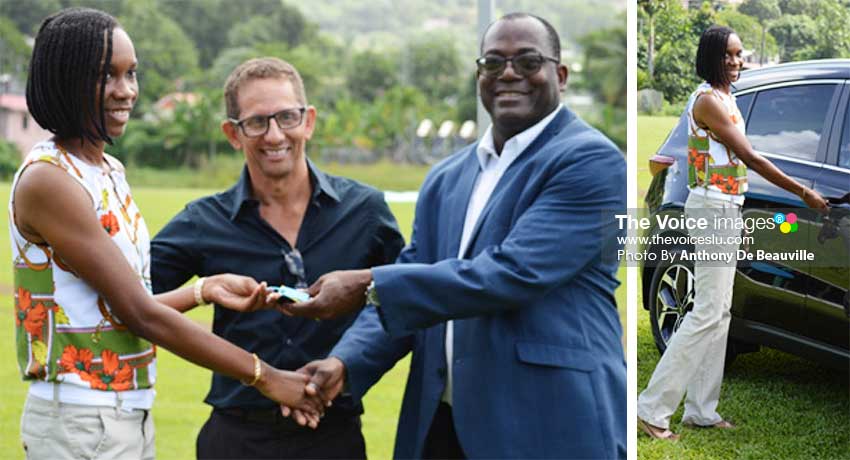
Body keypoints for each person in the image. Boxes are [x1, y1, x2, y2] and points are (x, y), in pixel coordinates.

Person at [280, 13, 627, 459]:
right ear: (479, 75)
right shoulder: (446, 177)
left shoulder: (593, 162)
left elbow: (512, 273)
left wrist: (368, 283)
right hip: (443, 426)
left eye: (527, 61)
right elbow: (415, 279)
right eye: (492, 62)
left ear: (559, 74)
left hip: (548, 422)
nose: (508, 74)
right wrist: (344, 362)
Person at [13, 9, 324, 460]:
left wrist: (204, 290)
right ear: (66, 80)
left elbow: (113, 313)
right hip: (80, 420)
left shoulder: (107, 171)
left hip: (123, 413)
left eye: (131, 73)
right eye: (106, 76)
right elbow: (141, 315)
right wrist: (266, 377)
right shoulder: (50, 180)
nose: (126, 91)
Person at [150, 57, 404, 459]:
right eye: (256, 122)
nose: (274, 135)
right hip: (237, 439)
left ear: (309, 121)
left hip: (333, 437)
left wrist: (345, 363)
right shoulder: (203, 221)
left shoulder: (366, 212)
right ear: (233, 134)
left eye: (287, 117)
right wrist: (202, 292)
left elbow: (407, 305)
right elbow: (133, 302)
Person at [636, 25, 828, 440]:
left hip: (727, 208)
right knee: (706, 312)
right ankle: (652, 407)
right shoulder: (708, 101)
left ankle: (701, 410)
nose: (737, 61)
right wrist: (803, 192)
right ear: (711, 58)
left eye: (740, 54)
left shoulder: (728, 97)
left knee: (719, 313)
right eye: (730, 55)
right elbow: (750, 157)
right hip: (711, 210)